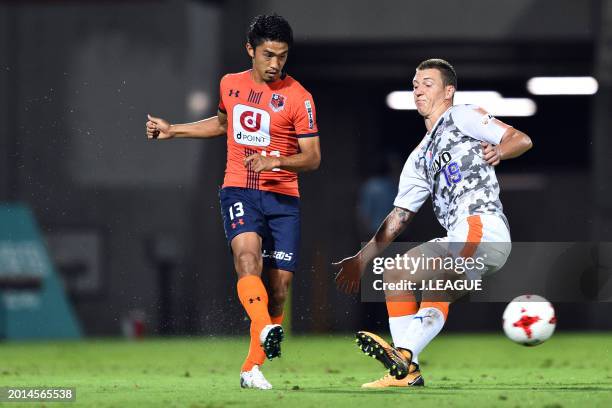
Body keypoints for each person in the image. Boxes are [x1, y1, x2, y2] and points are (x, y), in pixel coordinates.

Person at [145, 14, 321, 390]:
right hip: (239, 189)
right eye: (269, 55)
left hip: (283, 198)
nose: (276, 64)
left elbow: (313, 157)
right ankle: (263, 332)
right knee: (247, 260)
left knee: (279, 291)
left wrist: (276, 159)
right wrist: (174, 130)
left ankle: (250, 369)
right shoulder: (230, 84)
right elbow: (224, 124)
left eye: (283, 56)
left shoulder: (298, 97)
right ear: (250, 50)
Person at [333, 58, 532, 388]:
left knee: (437, 278)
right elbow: (399, 216)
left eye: (427, 83)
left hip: (482, 226)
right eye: (414, 84)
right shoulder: (418, 158)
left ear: (448, 90)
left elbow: (520, 138)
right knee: (396, 274)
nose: (418, 89)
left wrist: (501, 151)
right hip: (460, 235)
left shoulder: (462, 116)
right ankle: (408, 371)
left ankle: (403, 352)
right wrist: (362, 258)